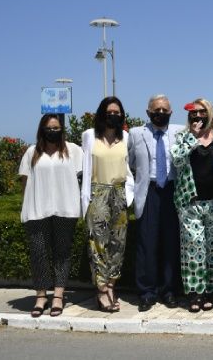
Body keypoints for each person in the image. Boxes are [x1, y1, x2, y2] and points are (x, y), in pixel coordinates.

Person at [19, 114, 83, 317]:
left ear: (62, 130)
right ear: (42, 130)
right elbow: (24, 182)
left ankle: (58, 295)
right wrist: (26, 206)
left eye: (56, 128)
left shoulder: (73, 150)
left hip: (66, 209)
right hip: (37, 210)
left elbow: (82, 179)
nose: (52, 131)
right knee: (39, 254)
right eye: (49, 128)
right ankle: (40, 296)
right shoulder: (32, 152)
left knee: (62, 254)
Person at [128, 94, 183, 312]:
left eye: (164, 110)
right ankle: (147, 292)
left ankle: (169, 290)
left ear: (171, 112)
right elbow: (130, 163)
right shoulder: (135, 133)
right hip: (148, 191)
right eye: (156, 110)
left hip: (173, 191)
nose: (160, 113)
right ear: (148, 112)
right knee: (146, 244)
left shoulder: (180, 132)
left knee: (171, 243)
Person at [170, 99, 213, 313]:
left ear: (210, 113)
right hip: (190, 202)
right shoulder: (183, 137)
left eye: (203, 112)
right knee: (193, 249)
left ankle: (211, 291)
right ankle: (195, 293)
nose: (198, 116)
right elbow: (178, 160)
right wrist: (193, 137)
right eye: (194, 112)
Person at [81, 96, 135, 312]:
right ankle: (101, 290)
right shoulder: (89, 136)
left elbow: (130, 167)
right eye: (109, 112)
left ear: (122, 115)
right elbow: (84, 166)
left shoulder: (127, 138)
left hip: (119, 193)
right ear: (102, 114)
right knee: (97, 243)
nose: (113, 115)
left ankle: (111, 285)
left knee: (117, 244)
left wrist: (128, 195)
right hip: (97, 192)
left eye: (117, 112)